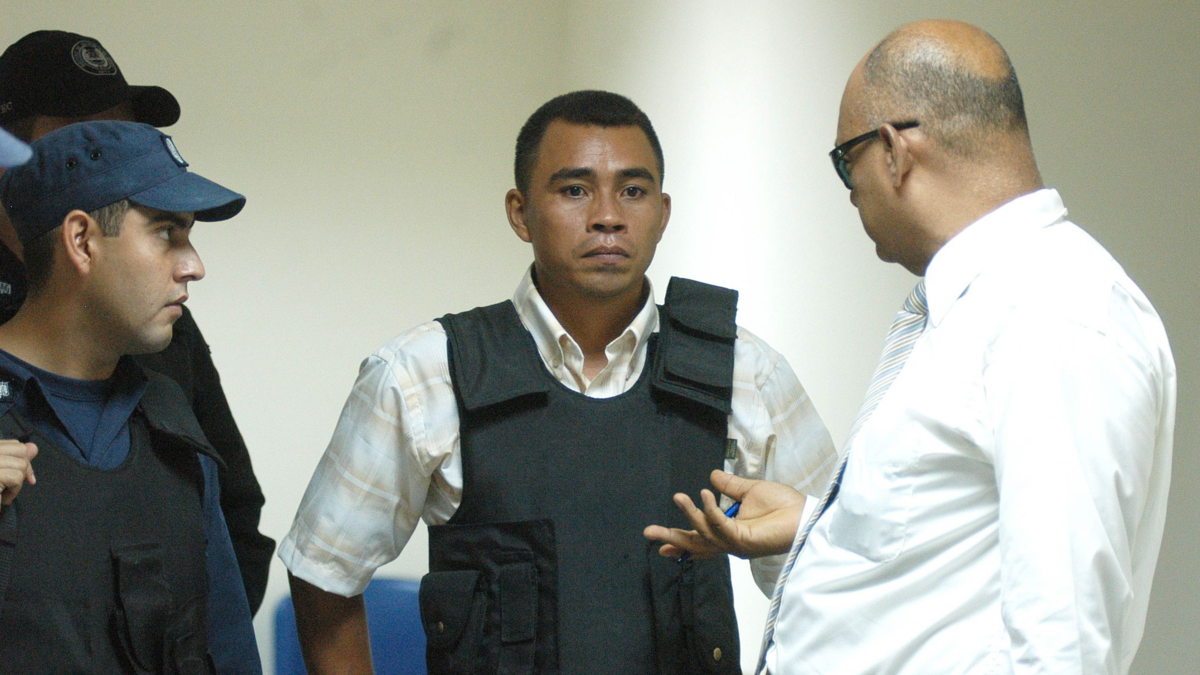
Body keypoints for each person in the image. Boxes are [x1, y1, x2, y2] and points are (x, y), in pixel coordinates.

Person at [646, 19, 1177, 675]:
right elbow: (950, 557)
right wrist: (820, 522)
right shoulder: (982, 306)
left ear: (895, 150)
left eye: (846, 161)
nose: (850, 192)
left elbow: (1062, 648)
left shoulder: (1054, 312)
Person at [279, 90, 838, 675]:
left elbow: (833, 570)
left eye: (633, 190)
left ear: (663, 213)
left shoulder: (745, 372)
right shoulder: (423, 374)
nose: (607, 216)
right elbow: (323, 571)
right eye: (574, 190)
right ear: (520, 213)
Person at [0, 29, 274, 615]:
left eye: (125, 130)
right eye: (84, 135)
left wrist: (192, 641)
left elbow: (233, 515)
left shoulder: (160, 321)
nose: (114, 148)